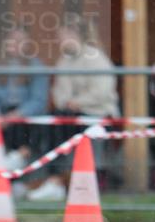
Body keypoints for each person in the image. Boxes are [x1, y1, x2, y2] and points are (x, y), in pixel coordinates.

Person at [28, 13, 119, 199]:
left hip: (98, 114)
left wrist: (79, 102)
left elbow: (103, 91)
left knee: (61, 131)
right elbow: (59, 92)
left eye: (61, 36)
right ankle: (54, 179)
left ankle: (60, 181)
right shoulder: (64, 61)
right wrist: (68, 102)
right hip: (71, 115)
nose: (58, 40)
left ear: (74, 34)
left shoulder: (96, 58)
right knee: (49, 128)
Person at [0, 25, 49, 160]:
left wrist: (16, 115)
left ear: (27, 44)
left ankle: (16, 167)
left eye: (20, 41)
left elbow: (39, 100)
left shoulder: (36, 67)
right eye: (12, 40)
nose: (15, 44)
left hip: (23, 116)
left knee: (22, 132)